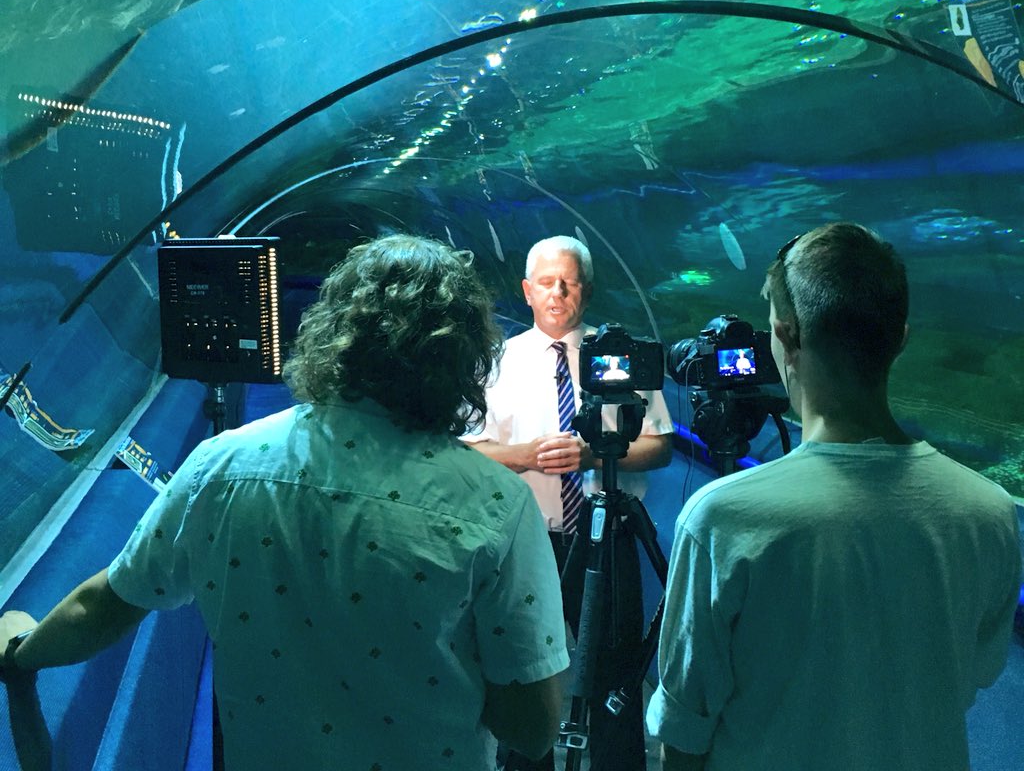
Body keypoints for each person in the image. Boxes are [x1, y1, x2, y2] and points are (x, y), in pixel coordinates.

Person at [0, 234, 570, 771]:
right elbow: (533, 727)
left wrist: (21, 653)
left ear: (334, 330)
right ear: (462, 356)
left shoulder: (220, 467)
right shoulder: (496, 505)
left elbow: (104, 603)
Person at [647, 222, 1022, 771]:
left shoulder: (723, 519)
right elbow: (973, 675)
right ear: (902, 338)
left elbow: (685, 730)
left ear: (787, 336)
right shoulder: (988, 512)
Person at [463, 234, 674, 771]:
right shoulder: (497, 362)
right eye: (547, 282)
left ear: (586, 290)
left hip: (610, 532)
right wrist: (526, 455)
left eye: (569, 281)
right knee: (525, 666)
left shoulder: (619, 357)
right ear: (527, 291)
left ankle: (618, 762)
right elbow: (470, 453)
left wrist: (591, 455)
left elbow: (658, 446)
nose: (557, 292)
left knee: (616, 667)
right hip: (528, 538)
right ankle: (523, 760)